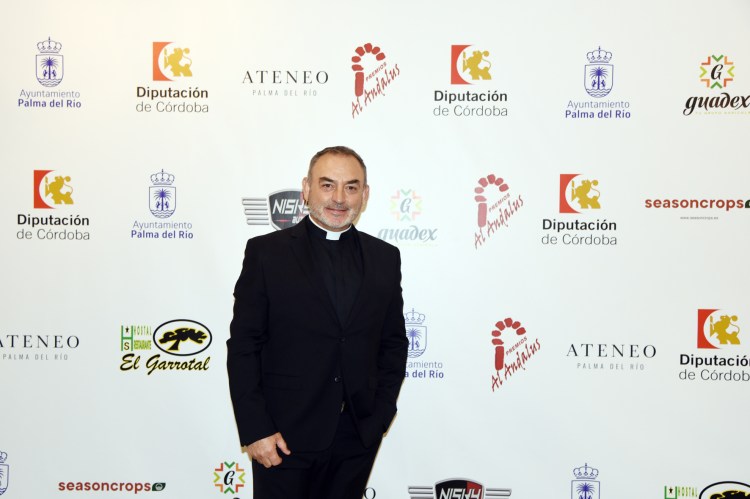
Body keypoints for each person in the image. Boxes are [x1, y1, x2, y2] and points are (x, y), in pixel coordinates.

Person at [227, 146, 408, 499]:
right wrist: (255, 429)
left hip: (356, 438)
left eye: (351, 187)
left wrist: (379, 416)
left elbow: (393, 344)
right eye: (327, 185)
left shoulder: (385, 258)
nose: (339, 198)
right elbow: (244, 346)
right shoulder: (266, 253)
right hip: (281, 438)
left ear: (365, 195)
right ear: (306, 189)